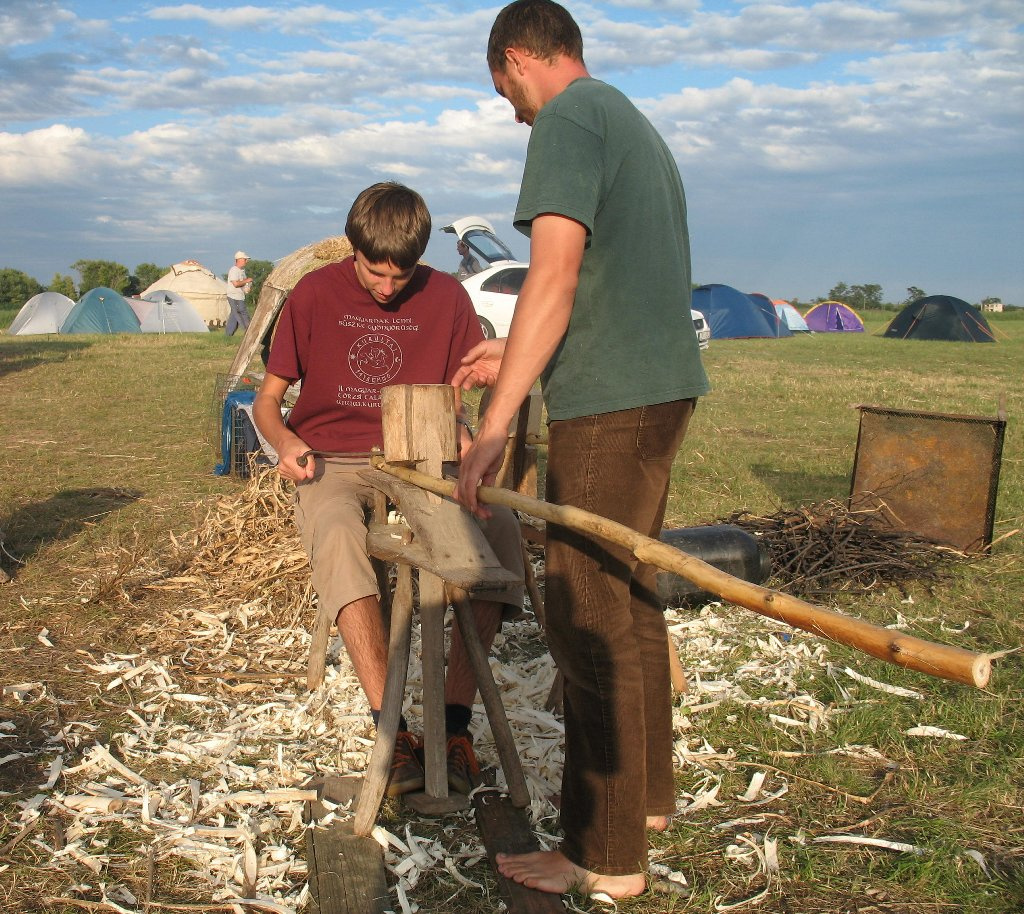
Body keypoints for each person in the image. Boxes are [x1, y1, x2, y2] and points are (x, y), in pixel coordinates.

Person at [453, 0, 710, 899]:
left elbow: (554, 275)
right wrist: (511, 355)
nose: (514, 113)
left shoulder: (564, 118)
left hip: (611, 402)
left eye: (505, 93)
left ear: (521, 59)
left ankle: (603, 855)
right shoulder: (627, 119)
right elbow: (605, 283)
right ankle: (645, 802)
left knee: (584, 613)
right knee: (631, 598)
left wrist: (493, 428)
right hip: (660, 384)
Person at [253, 182, 525, 798]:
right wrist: (286, 445)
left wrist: (465, 441)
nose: (386, 287)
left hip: (420, 457)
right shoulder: (314, 293)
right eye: (375, 273)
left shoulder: (448, 296)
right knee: (339, 534)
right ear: (354, 251)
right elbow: (268, 403)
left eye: (400, 277)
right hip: (335, 459)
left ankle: (454, 725)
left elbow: (460, 398)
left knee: (502, 532)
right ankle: (392, 731)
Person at [226, 250, 253, 336]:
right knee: (242, 313)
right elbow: (236, 284)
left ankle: (228, 336)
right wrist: (247, 280)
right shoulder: (234, 270)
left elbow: (243, 285)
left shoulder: (242, 271)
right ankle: (248, 333)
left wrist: (247, 288)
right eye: (245, 259)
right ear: (240, 259)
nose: (247, 261)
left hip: (240, 296)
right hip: (234, 296)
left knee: (234, 316)